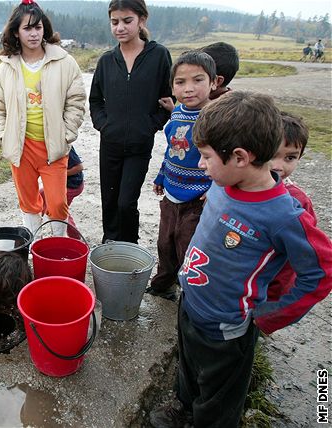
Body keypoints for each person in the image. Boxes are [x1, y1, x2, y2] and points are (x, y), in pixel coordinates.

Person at [149, 91, 332, 428]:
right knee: (189, 369)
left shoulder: (285, 215)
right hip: (191, 304)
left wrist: (268, 316)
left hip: (227, 328)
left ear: (240, 157)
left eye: (205, 156)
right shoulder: (221, 183)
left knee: (220, 398)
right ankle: (184, 409)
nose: (200, 164)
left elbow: (321, 273)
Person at [0, 0, 86, 237]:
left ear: (45, 29)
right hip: (22, 148)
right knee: (28, 201)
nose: (33, 34)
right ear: (16, 32)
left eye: (37, 27)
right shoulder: (5, 67)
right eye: (27, 28)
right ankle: (31, 247)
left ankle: (58, 244)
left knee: (57, 203)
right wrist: (2, 136)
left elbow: (76, 101)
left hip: (53, 148)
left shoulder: (64, 61)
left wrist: (66, 134)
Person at [89, 0, 172, 244]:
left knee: (126, 202)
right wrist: (104, 125)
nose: (120, 28)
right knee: (110, 201)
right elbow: (95, 100)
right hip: (110, 144)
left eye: (127, 21)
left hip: (139, 145)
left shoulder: (158, 56)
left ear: (142, 20)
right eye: (115, 22)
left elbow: (168, 97)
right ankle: (111, 247)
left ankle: (129, 248)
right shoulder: (106, 61)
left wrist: (150, 125)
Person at [146, 51, 216, 301]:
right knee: (165, 242)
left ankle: (192, 293)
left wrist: (216, 189)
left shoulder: (216, 118)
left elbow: (223, 160)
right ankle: (163, 285)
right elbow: (171, 151)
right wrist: (161, 176)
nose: (189, 89)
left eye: (198, 80)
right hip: (172, 193)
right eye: (180, 82)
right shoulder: (176, 113)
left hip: (197, 199)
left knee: (188, 247)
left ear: (214, 82)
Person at [267, 112, 318, 301]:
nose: (278, 166)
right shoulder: (239, 186)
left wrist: (274, 297)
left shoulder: (298, 202)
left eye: (290, 158)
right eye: (272, 155)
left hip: (267, 290)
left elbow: (299, 256)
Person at [39, 146, 85, 238]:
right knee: (41, 195)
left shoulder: (63, 145)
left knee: (57, 210)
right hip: (59, 184)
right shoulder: (40, 145)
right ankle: (37, 223)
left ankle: (74, 237)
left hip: (72, 186)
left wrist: (58, 173)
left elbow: (79, 167)